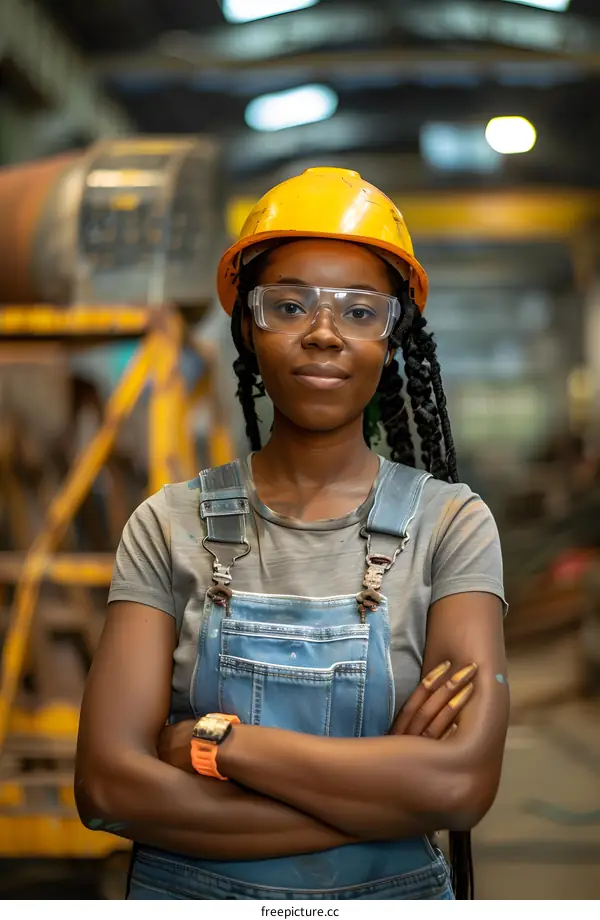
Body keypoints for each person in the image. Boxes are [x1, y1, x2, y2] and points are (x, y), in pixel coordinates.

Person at [75, 167, 509, 900]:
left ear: (393, 336)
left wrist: (220, 745)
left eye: (361, 312)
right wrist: (384, 800)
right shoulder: (169, 523)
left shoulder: (451, 526)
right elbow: (109, 788)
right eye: (289, 305)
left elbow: (462, 784)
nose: (325, 335)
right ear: (248, 324)